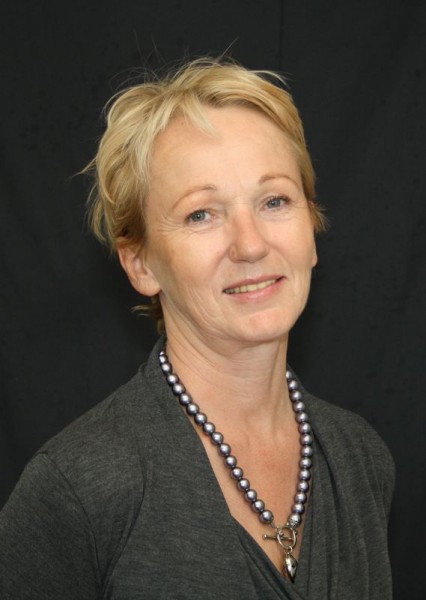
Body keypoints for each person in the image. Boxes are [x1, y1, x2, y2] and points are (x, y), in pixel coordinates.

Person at [0, 58, 394, 599]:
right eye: (201, 214)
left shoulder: (360, 459)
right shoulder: (80, 487)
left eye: (274, 201)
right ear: (140, 263)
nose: (251, 244)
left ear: (311, 227)